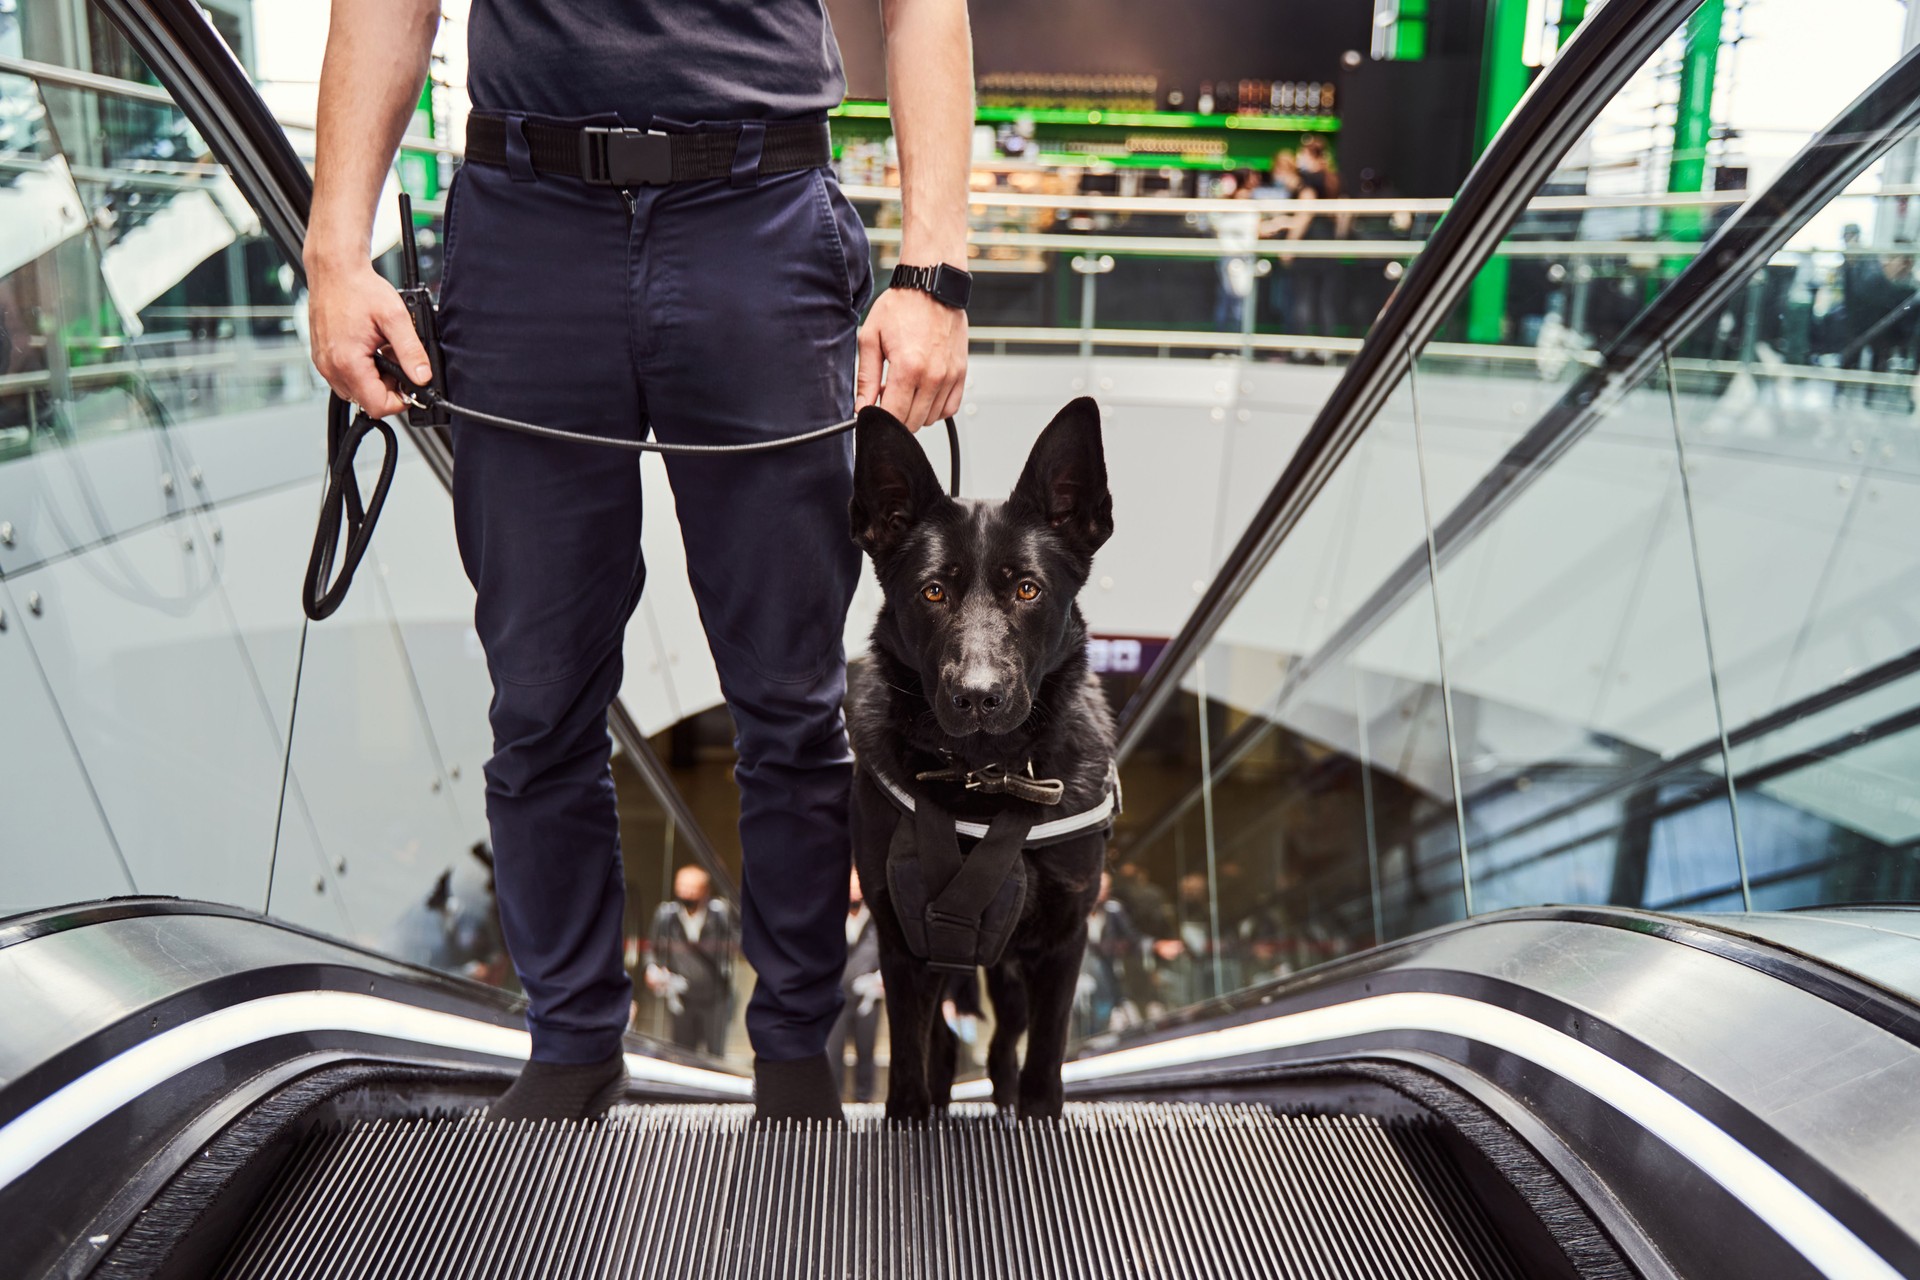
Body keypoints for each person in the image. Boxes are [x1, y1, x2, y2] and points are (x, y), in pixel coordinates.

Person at [306, 0, 974, 1122]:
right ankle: (571, 1044)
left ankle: (796, 1054)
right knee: (537, 697)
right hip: (525, 227)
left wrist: (938, 269)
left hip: (758, 215)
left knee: (789, 700)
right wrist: (333, 250)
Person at [645, 865, 737, 1056]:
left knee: (715, 1055)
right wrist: (651, 969)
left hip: (715, 997)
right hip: (682, 996)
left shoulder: (720, 916)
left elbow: (735, 945)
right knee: (681, 1054)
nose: (686, 893)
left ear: (705, 891)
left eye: (692, 888)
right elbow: (652, 948)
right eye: (682, 887)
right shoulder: (667, 915)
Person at [826, 869, 883, 1102]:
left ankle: (865, 1103)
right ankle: (832, 1105)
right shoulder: (828, 913)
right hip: (834, 997)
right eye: (850, 884)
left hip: (868, 999)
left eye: (859, 884)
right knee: (832, 1055)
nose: (855, 889)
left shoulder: (878, 917)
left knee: (866, 1054)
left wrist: (881, 980)